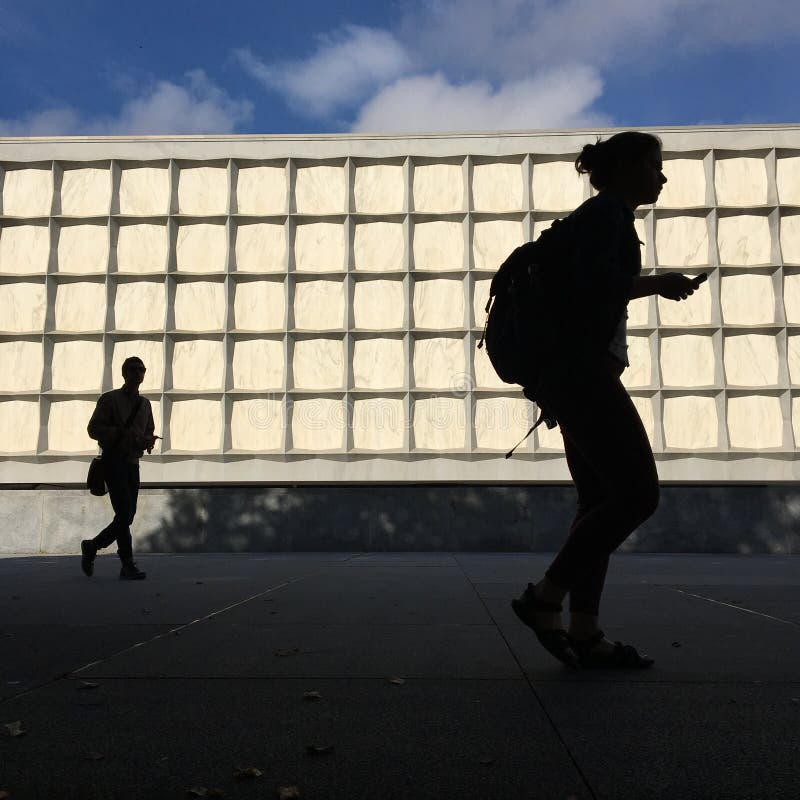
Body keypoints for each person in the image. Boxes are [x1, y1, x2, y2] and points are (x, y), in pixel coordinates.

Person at [511, 131, 704, 669]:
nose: (661, 176)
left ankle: (585, 632)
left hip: (568, 376)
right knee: (638, 494)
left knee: (598, 503)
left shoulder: (595, 219)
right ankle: (545, 598)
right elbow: (590, 284)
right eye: (653, 165)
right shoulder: (605, 217)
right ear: (623, 168)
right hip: (583, 377)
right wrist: (656, 283)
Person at [82, 356, 157, 580]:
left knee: (127, 515)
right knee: (124, 513)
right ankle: (126, 564)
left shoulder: (145, 404)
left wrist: (147, 441)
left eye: (141, 370)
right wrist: (120, 433)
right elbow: (93, 429)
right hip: (113, 462)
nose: (138, 374)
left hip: (133, 464)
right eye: (133, 370)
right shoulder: (109, 399)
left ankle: (93, 546)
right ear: (124, 374)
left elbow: (148, 429)